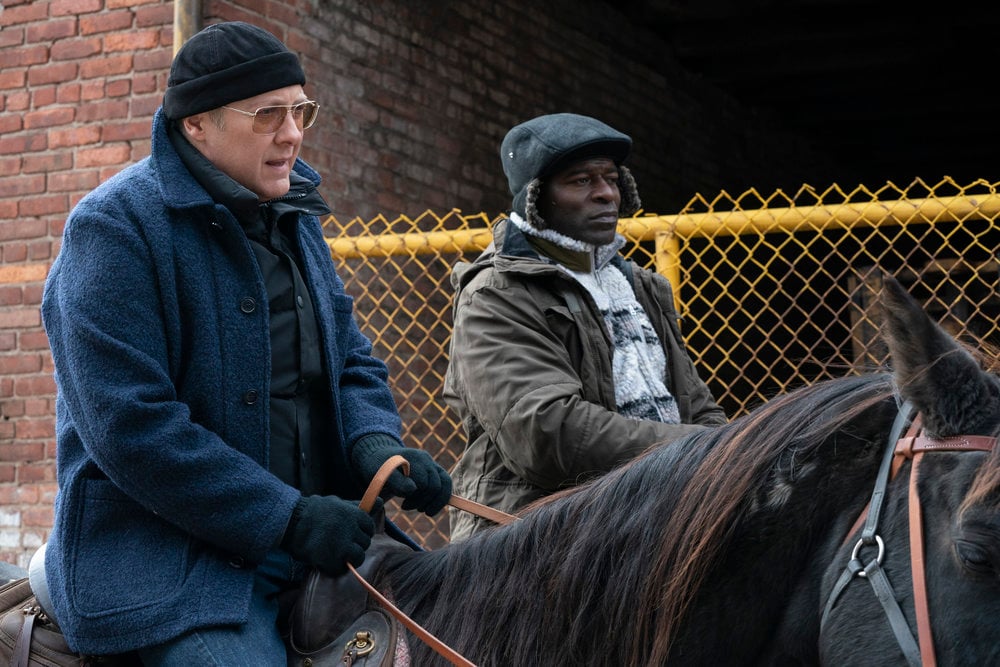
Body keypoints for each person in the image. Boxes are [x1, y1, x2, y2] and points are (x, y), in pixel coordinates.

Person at [40, 21, 451, 663]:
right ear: (197, 125)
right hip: (172, 563)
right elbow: (131, 427)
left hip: (318, 548)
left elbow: (351, 359)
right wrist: (287, 518)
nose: (292, 134)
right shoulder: (113, 228)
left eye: (300, 110)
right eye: (268, 115)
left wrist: (373, 444)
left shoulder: (294, 216)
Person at [444, 113, 726, 541]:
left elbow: (697, 406)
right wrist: (702, 451)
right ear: (537, 200)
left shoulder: (639, 286)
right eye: (581, 182)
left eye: (611, 179)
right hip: (534, 542)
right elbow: (546, 433)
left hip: (653, 516)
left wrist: (730, 453)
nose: (606, 194)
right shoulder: (497, 292)